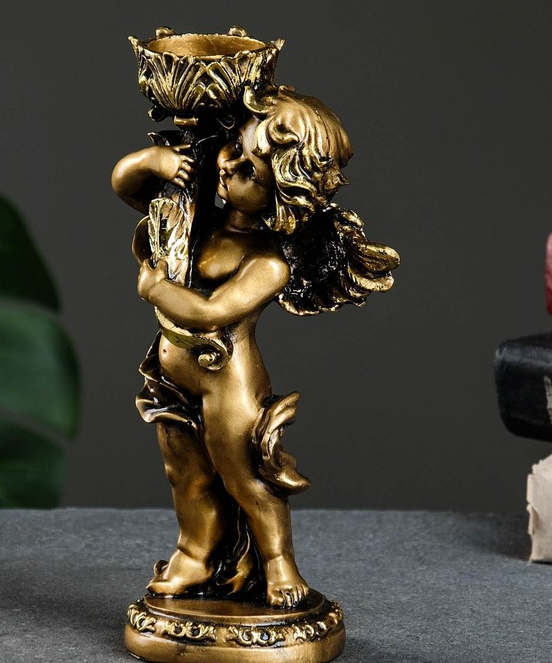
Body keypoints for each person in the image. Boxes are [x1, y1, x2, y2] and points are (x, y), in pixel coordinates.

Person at [112, 85, 399, 608]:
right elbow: (126, 187)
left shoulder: (269, 262)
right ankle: (195, 554)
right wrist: (153, 161)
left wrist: (156, 289)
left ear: (282, 198)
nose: (229, 165)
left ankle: (279, 564)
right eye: (236, 147)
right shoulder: (196, 216)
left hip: (226, 382)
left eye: (250, 172)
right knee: (186, 475)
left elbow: (212, 312)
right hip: (170, 374)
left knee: (246, 478)